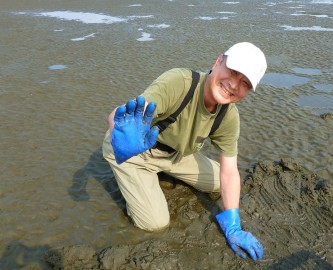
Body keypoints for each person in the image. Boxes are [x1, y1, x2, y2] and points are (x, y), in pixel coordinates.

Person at [102, 42, 267, 261]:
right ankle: (135, 176)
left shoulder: (228, 116)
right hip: (134, 152)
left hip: (175, 155)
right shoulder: (179, 83)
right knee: (155, 224)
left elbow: (229, 170)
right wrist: (120, 138)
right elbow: (119, 116)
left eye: (245, 83)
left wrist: (234, 225)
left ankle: (160, 174)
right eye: (233, 72)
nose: (234, 85)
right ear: (218, 61)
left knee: (219, 183)